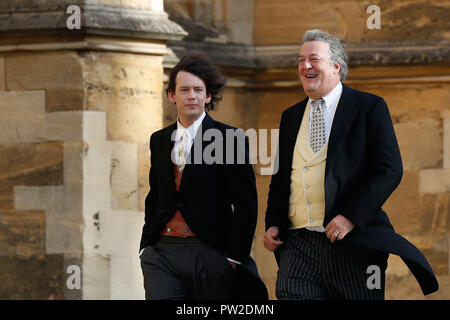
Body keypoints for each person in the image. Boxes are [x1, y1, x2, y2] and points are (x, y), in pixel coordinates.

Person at [264, 29, 438, 300]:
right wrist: (273, 222)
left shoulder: (369, 107)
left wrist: (351, 217)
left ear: (336, 66)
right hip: (298, 245)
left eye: (313, 59)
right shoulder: (291, 116)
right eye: (300, 60)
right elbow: (282, 177)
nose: (305, 66)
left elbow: (389, 169)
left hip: (352, 245)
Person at [139, 53, 267, 300]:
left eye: (198, 90)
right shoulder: (159, 139)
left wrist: (231, 258)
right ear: (171, 95)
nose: (192, 95)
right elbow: (155, 196)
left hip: (209, 252)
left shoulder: (229, 139)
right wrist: (145, 246)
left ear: (208, 96)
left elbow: (246, 205)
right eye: (184, 89)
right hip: (161, 253)